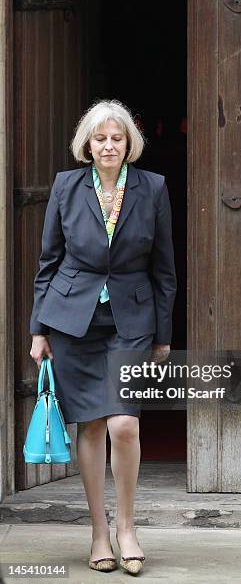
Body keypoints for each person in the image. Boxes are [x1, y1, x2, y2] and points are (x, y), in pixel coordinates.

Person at [29, 98, 177, 575]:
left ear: (129, 144)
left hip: (132, 322)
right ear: (87, 146)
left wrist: (164, 336)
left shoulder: (152, 188)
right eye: (100, 139)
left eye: (117, 138)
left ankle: (128, 527)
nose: (109, 145)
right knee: (90, 426)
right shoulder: (65, 187)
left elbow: (165, 270)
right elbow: (48, 262)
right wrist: (38, 329)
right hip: (72, 321)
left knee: (124, 424)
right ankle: (98, 533)